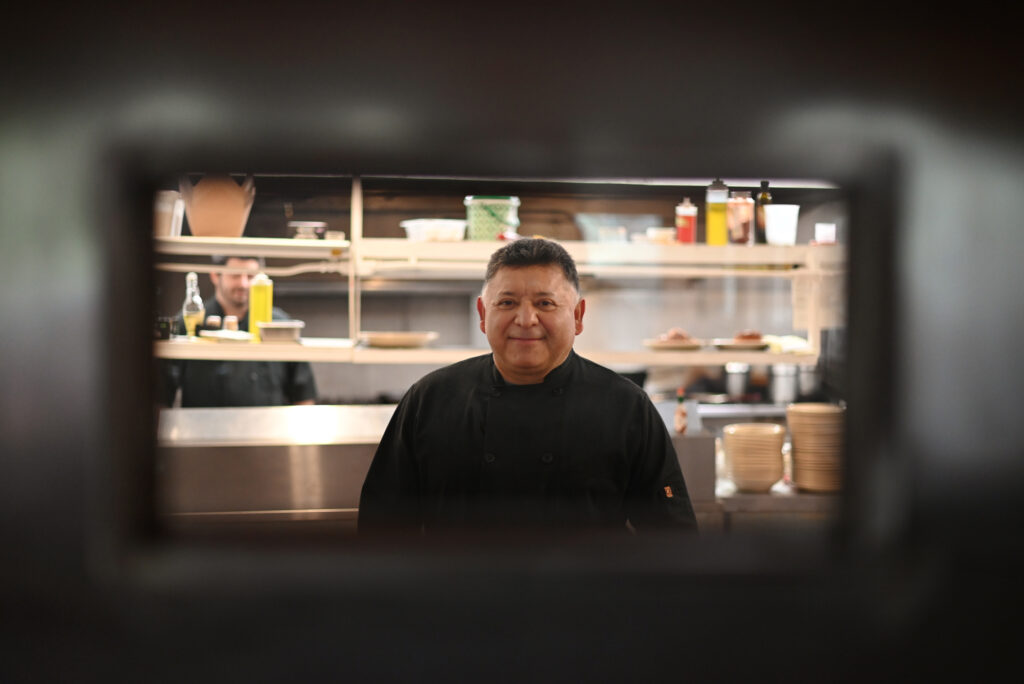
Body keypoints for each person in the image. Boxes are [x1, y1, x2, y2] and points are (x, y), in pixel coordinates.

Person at [358, 238, 696, 537]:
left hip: (584, 606)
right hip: (454, 605)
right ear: (482, 313)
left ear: (578, 316)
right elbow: (382, 528)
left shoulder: (626, 407)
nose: (525, 319)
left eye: (545, 304)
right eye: (506, 303)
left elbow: (672, 538)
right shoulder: (429, 400)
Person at [159, 255, 318, 407]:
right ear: (215, 275)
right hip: (201, 430)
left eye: (250, 276)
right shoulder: (189, 322)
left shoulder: (280, 325)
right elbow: (161, 393)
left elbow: (303, 395)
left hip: (269, 430)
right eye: (235, 276)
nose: (243, 284)